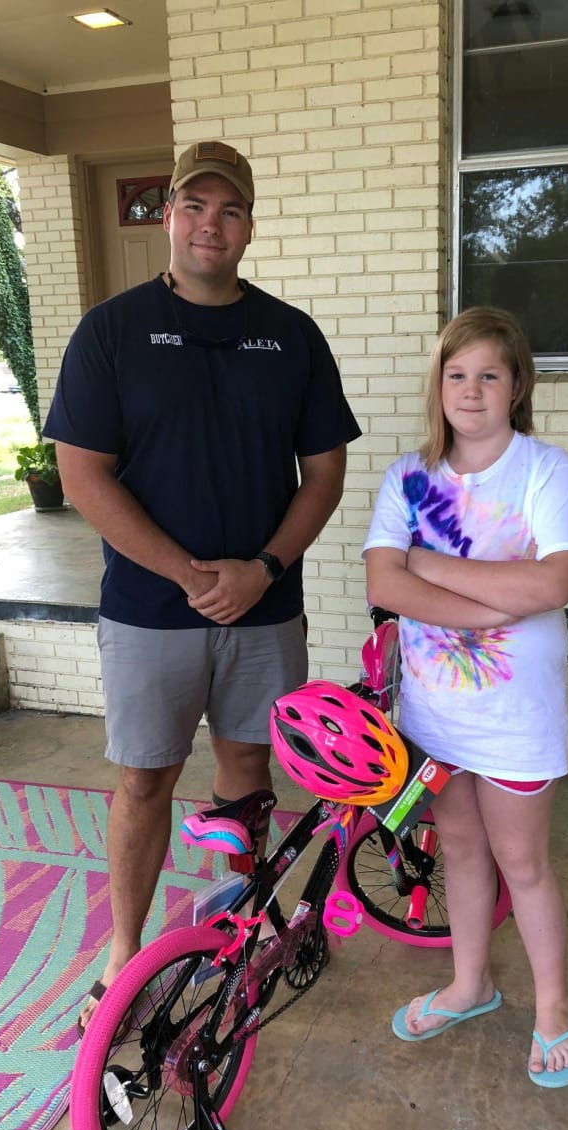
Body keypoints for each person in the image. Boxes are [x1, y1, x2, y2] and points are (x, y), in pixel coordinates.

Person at [43, 139, 361, 1035]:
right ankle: (124, 951)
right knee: (143, 781)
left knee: (248, 770)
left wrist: (261, 568)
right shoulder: (111, 331)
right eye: (194, 206)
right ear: (169, 217)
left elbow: (325, 473)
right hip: (150, 612)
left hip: (265, 610)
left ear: (249, 226)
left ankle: (234, 925)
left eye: (228, 209)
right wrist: (187, 572)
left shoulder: (292, 336)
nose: (209, 224)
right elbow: (83, 475)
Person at [363, 306, 568, 1087]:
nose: (470, 389)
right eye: (455, 374)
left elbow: (553, 579)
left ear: (516, 384)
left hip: (515, 719)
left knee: (522, 863)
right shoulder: (408, 476)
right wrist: (499, 601)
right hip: (434, 716)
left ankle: (554, 1005)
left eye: (488, 373)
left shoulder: (545, 471)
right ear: (438, 386)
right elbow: (382, 581)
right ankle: (472, 984)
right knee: (459, 849)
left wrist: (430, 564)